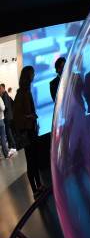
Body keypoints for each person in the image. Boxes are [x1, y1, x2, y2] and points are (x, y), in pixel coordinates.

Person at [13, 66, 43, 195]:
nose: (34, 75)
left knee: (34, 159)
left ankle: (39, 186)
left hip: (31, 130)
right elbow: (18, 116)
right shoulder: (21, 93)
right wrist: (31, 116)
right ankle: (34, 189)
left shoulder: (26, 92)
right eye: (32, 73)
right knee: (31, 161)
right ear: (28, 76)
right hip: (27, 132)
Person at [0, 84, 17, 155]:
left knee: (8, 132)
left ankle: (13, 146)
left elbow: (5, 107)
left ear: (3, 88)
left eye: (0, 89)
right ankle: (11, 146)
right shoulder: (5, 95)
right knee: (8, 132)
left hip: (7, 117)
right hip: (7, 116)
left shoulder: (4, 96)